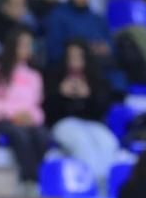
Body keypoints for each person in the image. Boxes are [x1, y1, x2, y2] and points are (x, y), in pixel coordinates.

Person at [45, 39, 119, 188]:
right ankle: (94, 184)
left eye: (79, 56)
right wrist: (60, 94)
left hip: (92, 124)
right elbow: (47, 111)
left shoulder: (95, 79)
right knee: (81, 142)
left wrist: (89, 95)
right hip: (64, 123)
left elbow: (102, 109)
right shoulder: (54, 77)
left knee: (108, 142)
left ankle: (105, 184)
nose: (75, 60)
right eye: (71, 56)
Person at [0, 28, 49, 194]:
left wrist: (31, 117)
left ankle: (37, 181)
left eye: (29, 45)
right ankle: (27, 181)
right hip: (2, 120)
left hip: (27, 121)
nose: (27, 49)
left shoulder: (34, 76)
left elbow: (36, 106)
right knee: (20, 136)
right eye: (23, 45)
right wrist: (13, 115)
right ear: (13, 46)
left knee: (42, 135)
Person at [43, 0, 112, 68]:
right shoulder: (57, 16)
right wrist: (88, 49)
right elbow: (54, 53)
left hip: (100, 69)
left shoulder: (98, 19)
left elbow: (110, 48)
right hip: (67, 71)